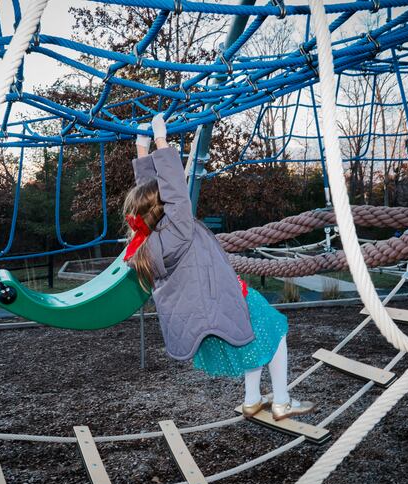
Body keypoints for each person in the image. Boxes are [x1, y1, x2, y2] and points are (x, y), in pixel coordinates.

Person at [123, 114, 313, 421]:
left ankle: (252, 399)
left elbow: (146, 193)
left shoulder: (146, 240)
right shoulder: (179, 227)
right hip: (222, 300)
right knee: (275, 331)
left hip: (204, 307)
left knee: (255, 336)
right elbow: (173, 188)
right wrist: (161, 141)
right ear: (166, 207)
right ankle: (282, 401)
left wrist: (141, 150)